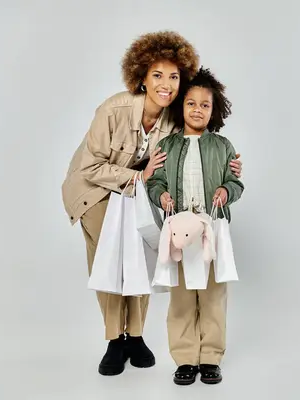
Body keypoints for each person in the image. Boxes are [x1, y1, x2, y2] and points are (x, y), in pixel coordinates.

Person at [61, 31, 244, 377]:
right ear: (142, 77)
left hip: (136, 192)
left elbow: (200, 140)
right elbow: (91, 166)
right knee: (111, 260)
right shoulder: (113, 109)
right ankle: (116, 339)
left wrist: (230, 169)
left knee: (142, 254)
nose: (166, 84)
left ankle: (137, 336)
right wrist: (141, 178)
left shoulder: (174, 117)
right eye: (157, 75)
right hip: (95, 189)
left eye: (174, 77)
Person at [146, 67, 244, 385]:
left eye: (205, 104)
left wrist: (226, 190)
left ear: (214, 111)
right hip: (179, 231)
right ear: (181, 106)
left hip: (212, 231)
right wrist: (160, 194)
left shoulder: (223, 146)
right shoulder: (168, 146)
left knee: (213, 296)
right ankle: (186, 358)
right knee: (183, 298)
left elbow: (235, 182)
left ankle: (211, 357)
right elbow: (155, 181)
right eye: (191, 103)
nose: (198, 110)